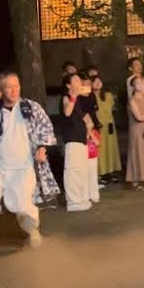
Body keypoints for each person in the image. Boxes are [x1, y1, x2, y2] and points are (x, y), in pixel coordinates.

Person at [0, 72, 58, 265]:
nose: (14, 90)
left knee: (22, 206)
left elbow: (46, 128)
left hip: (24, 166)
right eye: (9, 87)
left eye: (16, 85)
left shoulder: (31, 108)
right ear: (1, 90)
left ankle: (32, 229)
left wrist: (42, 148)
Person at [58, 73, 101, 211]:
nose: (79, 82)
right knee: (73, 171)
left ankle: (81, 198)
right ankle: (73, 201)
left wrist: (90, 133)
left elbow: (85, 118)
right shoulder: (67, 97)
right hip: (72, 139)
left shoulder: (78, 101)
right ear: (68, 85)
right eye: (76, 80)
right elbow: (67, 112)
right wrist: (74, 96)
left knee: (81, 170)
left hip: (81, 139)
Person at [91, 76, 121, 181]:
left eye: (99, 81)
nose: (97, 83)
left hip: (109, 124)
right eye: (94, 81)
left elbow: (109, 108)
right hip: (97, 125)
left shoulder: (108, 95)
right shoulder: (90, 96)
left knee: (110, 148)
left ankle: (111, 171)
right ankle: (100, 172)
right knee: (100, 149)